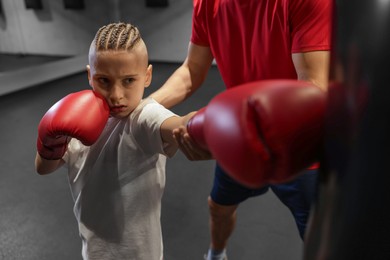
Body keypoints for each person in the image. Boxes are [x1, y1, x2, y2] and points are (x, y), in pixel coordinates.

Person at [149, 0, 332, 259]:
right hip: (240, 133)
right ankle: (216, 254)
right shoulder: (207, 4)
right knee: (218, 207)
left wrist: (246, 127)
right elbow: (192, 69)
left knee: (321, 237)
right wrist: (144, 108)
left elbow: (314, 86)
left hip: (298, 150)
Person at [34, 22, 196, 260]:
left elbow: (178, 124)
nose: (116, 95)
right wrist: (52, 138)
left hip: (141, 254)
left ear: (147, 76)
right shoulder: (76, 118)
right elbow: (42, 168)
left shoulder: (144, 116)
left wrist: (204, 124)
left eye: (129, 80)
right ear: (90, 75)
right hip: (95, 251)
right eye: (104, 81)